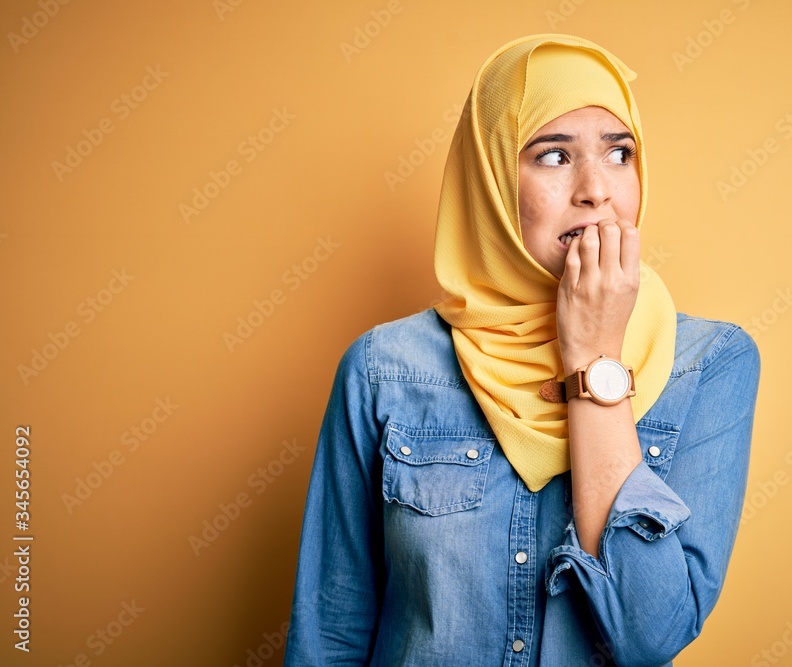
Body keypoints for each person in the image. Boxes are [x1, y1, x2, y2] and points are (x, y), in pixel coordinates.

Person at [283, 34, 760, 667]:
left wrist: (594, 357)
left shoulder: (710, 362)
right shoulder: (384, 370)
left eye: (620, 153)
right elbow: (332, 633)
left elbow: (649, 636)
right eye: (554, 156)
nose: (597, 190)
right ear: (490, 180)